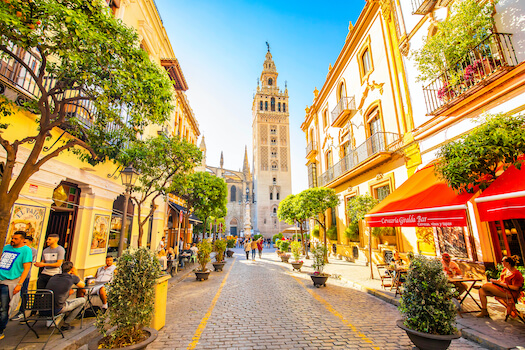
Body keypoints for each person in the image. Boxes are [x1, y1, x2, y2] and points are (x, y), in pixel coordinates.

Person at [0, 231, 32, 340]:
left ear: (22, 240)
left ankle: (1, 330)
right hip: (1, 278)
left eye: (16, 239)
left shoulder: (26, 250)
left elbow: (26, 268)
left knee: (4, 308)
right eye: (12, 238)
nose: (13, 240)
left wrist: (19, 284)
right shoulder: (6, 247)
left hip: (10, 282)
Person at [46, 261, 86, 330]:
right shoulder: (72, 277)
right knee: (82, 300)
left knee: (65, 300)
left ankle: (61, 318)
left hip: (44, 308)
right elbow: (82, 285)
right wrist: (76, 274)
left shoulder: (53, 277)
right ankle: (66, 324)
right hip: (58, 308)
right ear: (72, 269)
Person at [11, 236, 38, 321]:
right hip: (15, 275)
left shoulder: (31, 251)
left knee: (24, 292)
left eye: (25, 242)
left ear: (30, 242)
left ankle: (22, 311)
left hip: (25, 275)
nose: (24, 244)